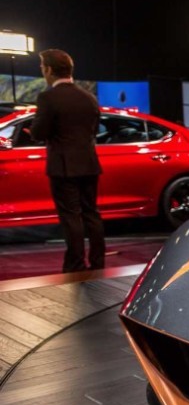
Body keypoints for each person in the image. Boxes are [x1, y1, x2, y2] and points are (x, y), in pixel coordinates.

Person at [30, 49, 106, 273]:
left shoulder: (48, 98)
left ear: (49, 70)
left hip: (63, 166)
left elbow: (38, 132)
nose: (42, 71)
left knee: (71, 216)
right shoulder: (89, 97)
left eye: (42, 67)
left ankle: (75, 265)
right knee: (91, 213)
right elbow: (93, 130)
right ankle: (98, 262)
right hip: (89, 163)